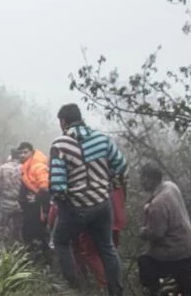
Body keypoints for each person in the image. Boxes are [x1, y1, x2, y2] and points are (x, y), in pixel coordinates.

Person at [49, 103, 127, 296]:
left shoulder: (60, 145)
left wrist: (63, 205)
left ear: (63, 121)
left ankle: (74, 288)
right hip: (102, 204)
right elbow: (121, 166)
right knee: (107, 248)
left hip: (76, 207)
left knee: (60, 241)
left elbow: (58, 185)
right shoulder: (103, 139)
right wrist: (107, 185)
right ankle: (116, 291)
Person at [137, 164, 191, 296]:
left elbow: (156, 234)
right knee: (190, 285)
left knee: (144, 261)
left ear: (153, 179)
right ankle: (174, 285)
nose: (142, 181)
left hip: (174, 251)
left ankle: (159, 290)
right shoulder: (170, 186)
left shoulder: (158, 204)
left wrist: (143, 232)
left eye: (145, 178)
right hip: (189, 245)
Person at [16, 141, 50, 256]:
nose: (22, 155)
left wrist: (36, 196)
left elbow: (45, 186)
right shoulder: (26, 167)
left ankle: (43, 259)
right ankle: (33, 256)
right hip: (29, 207)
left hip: (38, 208)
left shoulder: (37, 166)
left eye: (25, 152)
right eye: (20, 153)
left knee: (38, 233)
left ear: (32, 152)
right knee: (28, 231)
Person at [0, 149, 23, 240]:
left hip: (5, 201)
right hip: (19, 202)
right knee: (17, 227)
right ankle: (15, 246)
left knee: (1, 226)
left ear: (11, 156)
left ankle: (0, 244)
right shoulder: (24, 168)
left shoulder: (4, 167)